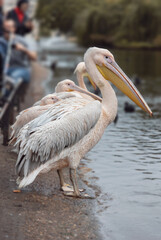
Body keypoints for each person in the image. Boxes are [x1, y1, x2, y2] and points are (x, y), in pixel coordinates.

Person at [0, 19, 37, 84]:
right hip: (6, 69)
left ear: (14, 28)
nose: (6, 30)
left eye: (8, 27)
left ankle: (7, 91)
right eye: (4, 28)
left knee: (12, 78)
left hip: (22, 69)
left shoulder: (22, 41)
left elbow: (34, 57)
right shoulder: (1, 41)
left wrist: (23, 49)